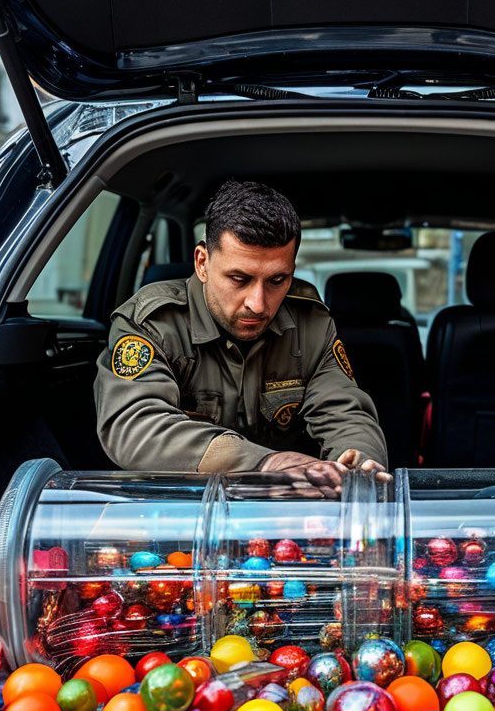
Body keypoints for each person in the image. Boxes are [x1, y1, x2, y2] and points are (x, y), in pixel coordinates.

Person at [94, 180, 388, 490]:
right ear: (202, 263)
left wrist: (360, 463)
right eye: (239, 278)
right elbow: (134, 425)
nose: (258, 304)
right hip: (180, 506)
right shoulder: (153, 323)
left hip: (292, 506)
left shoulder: (311, 325)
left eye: (277, 280)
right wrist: (266, 464)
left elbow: (344, 413)